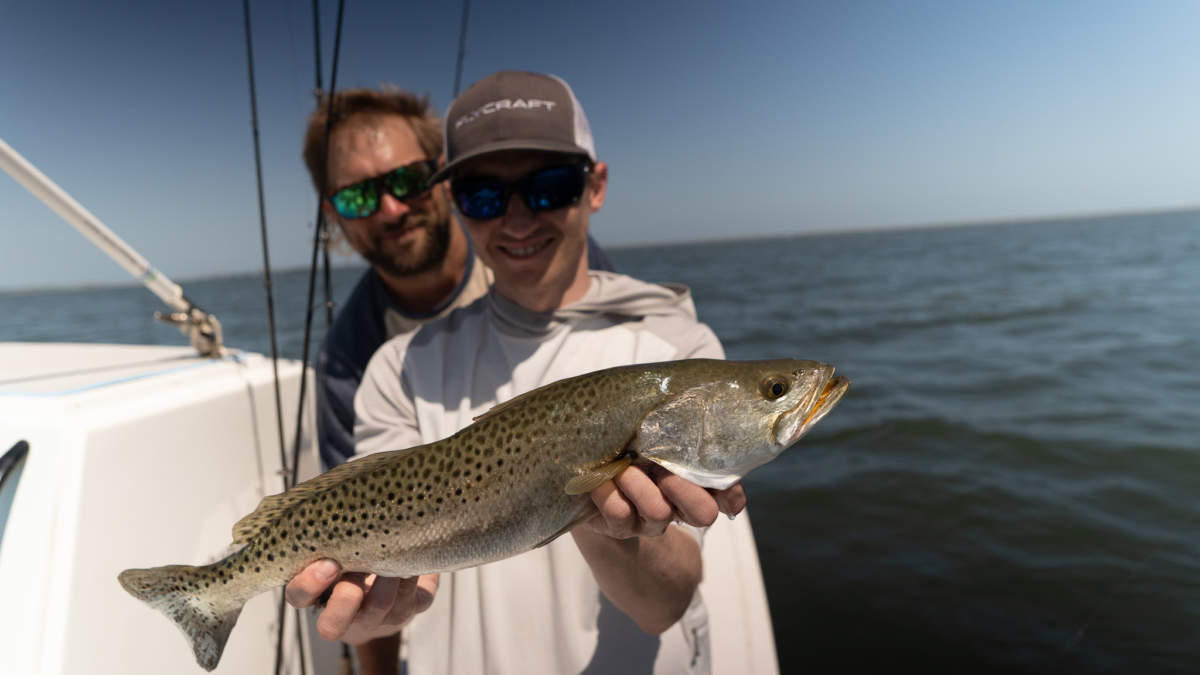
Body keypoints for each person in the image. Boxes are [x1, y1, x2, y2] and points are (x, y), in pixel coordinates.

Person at [290, 72, 777, 674]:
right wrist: (371, 610)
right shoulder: (397, 367)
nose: (517, 219)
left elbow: (665, 605)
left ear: (594, 187)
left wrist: (607, 525)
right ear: (456, 200)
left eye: (548, 187)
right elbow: (381, 566)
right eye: (484, 196)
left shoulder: (676, 344)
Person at [299, 87, 615, 672]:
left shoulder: (548, 255)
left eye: (411, 181)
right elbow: (359, 539)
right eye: (359, 195)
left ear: (444, 181)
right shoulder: (350, 361)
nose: (391, 209)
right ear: (333, 216)